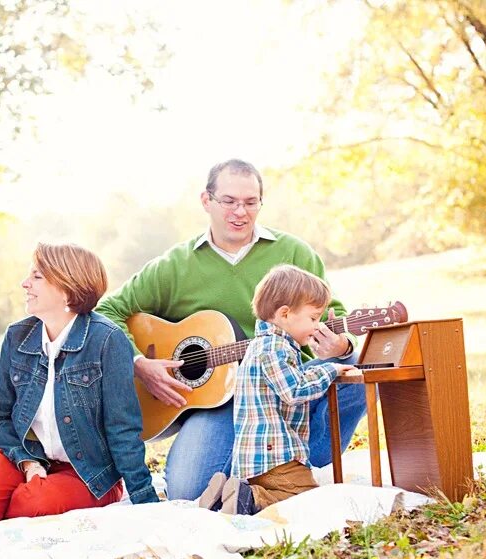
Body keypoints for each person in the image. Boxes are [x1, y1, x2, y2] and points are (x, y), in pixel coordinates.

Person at [95, 159, 367, 501]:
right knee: (187, 490)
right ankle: (260, 473)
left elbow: (333, 314)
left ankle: (275, 471)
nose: (241, 212)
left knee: (356, 371)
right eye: (229, 201)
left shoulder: (293, 253)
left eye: (251, 202)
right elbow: (107, 310)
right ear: (206, 201)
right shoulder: (174, 266)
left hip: (281, 388)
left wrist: (341, 346)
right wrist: (139, 363)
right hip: (214, 401)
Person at [0, 243, 158, 524]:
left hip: (87, 471)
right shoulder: (18, 336)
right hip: (25, 458)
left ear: (67, 287)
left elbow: (122, 427)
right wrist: (28, 464)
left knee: (33, 504)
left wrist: (145, 499)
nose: (24, 283)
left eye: (37, 277)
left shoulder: (107, 340)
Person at [198, 265, 358, 515]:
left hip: (257, 458)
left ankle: (223, 496)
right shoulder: (276, 349)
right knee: (304, 497)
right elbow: (294, 390)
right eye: (314, 318)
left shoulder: (260, 346)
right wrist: (330, 369)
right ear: (285, 314)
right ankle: (251, 498)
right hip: (276, 457)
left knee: (284, 491)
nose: (317, 326)